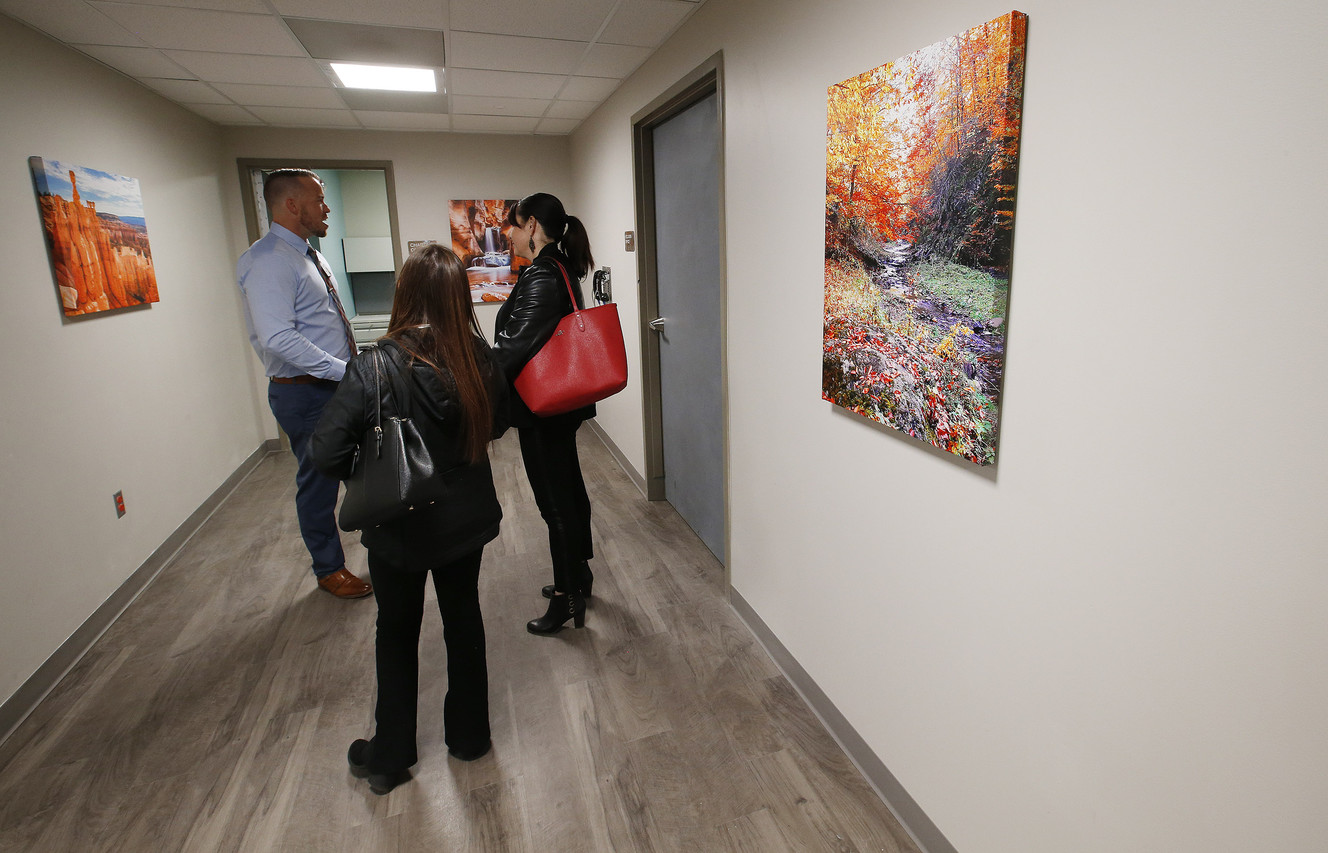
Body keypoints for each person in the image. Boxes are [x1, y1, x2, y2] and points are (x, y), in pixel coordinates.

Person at [311, 244, 509, 794]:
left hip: (398, 527)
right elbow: (498, 423)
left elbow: (325, 455)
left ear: (405, 296)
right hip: (463, 524)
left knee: (396, 631)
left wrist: (374, 459)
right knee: (463, 619)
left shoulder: (374, 366)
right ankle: (469, 738)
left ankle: (391, 755)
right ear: (457, 297)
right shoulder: (476, 355)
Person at [236, 168, 372, 599]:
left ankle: (381, 541)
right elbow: (278, 337)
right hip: (305, 392)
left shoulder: (310, 255)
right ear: (292, 205)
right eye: (319, 199)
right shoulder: (269, 260)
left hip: (333, 384)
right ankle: (329, 568)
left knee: (364, 465)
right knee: (319, 480)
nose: (326, 207)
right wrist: (343, 370)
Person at [492, 193, 597, 635]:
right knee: (569, 491)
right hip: (560, 405)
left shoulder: (542, 275)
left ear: (533, 225)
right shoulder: (560, 267)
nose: (510, 235)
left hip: (544, 408)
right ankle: (581, 576)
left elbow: (513, 349)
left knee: (555, 504)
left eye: (515, 226)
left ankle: (566, 595)